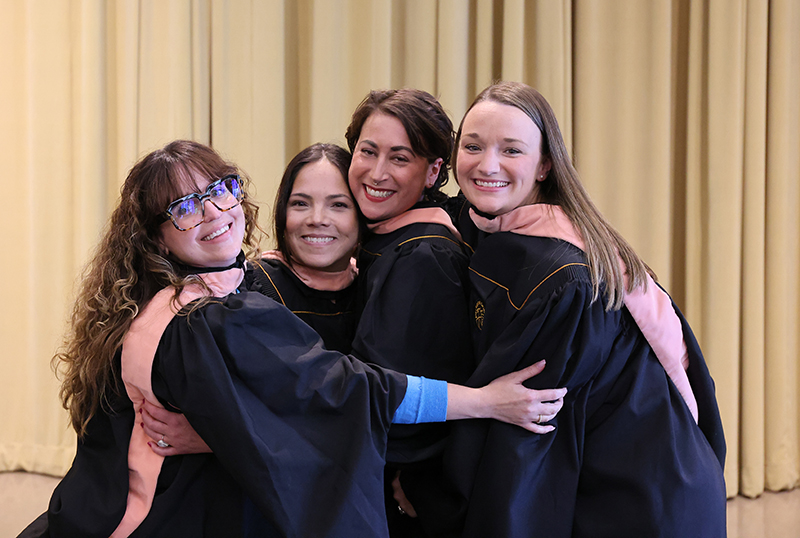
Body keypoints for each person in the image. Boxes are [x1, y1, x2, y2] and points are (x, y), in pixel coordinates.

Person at [21, 140, 565, 538]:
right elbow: (347, 391)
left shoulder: (171, 294)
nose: (214, 212)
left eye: (220, 191)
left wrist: (223, 431)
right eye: (185, 208)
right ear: (155, 236)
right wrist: (486, 402)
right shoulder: (222, 310)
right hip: (157, 513)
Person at [435, 81, 727, 538]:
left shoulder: (566, 279)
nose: (487, 164)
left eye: (511, 150)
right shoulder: (496, 224)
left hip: (641, 502)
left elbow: (528, 431)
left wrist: (428, 488)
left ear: (545, 165)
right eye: (472, 146)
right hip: (612, 484)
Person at [344, 88, 486, 536]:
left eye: (400, 158)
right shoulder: (376, 238)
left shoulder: (423, 256)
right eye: (368, 151)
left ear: (434, 172)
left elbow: (389, 401)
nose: (377, 172)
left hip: (396, 497)